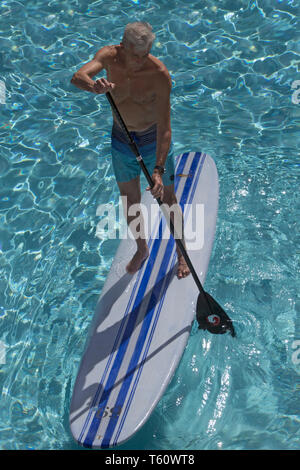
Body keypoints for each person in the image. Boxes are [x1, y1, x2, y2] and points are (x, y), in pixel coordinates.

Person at [71, 22, 190, 279]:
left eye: (146, 54)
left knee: (168, 200)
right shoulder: (108, 57)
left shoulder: (158, 74)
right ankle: (141, 247)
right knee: (130, 200)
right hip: (121, 141)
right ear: (122, 46)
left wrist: (158, 170)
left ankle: (181, 253)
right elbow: (78, 76)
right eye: (136, 55)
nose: (141, 61)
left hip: (151, 142)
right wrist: (94, 87)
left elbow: (166, 128)